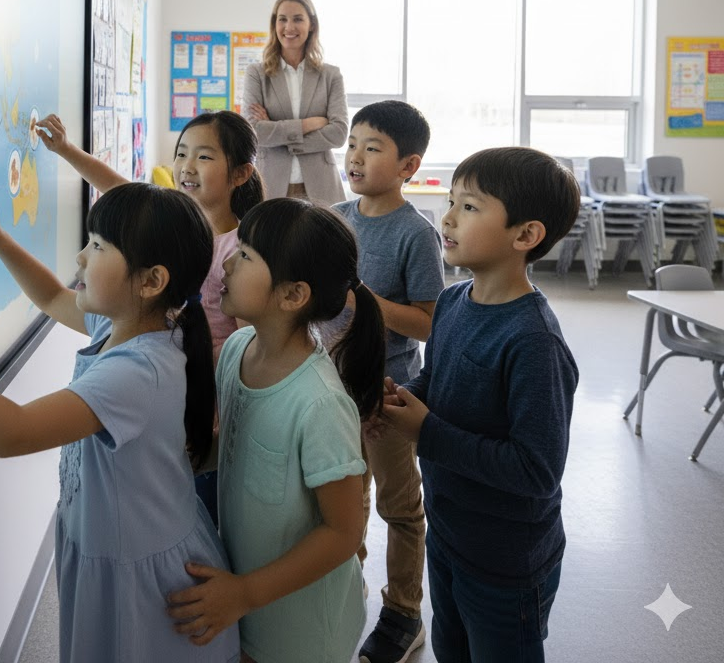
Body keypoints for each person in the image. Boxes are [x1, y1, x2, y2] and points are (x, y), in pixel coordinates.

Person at [0, 183, 241, 663]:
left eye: (99, 247)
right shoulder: (126, 323)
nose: (81, 258)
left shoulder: (136, 372)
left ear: (151, 282)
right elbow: (49, 296)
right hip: (118, 549)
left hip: (146, 583)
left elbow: (10, 432)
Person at [381, 147, 580, 663]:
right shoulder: (452, 301)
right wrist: (404, 400)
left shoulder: (533, 342)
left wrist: (426, 432)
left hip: (506, 561)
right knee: (452, 646)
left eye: (469, 207)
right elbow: (437, 380)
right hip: (448, 533)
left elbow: (536, 470)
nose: (446, 217)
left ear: (525, 235)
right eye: (451, 201)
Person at [167, 198, 387, 663]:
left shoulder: (320, 405)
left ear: (293, 295)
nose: (226, 260)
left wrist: (245, 593)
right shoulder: (239, 348)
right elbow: (233, 446)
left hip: (305, 631)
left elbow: (343, 533)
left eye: (245, 255)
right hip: (249, 607)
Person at [36, 110, 265, 523]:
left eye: (204, 157)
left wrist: (233, 418)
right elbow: (119, 191)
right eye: (181, 153)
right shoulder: (176, 220)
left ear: (240, 174)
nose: (187, 167)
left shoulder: (239, 248)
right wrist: (67, 151)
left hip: (205, 399)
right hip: (164, 385)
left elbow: (250, 345)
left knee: (198, 504)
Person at [327, 102, 444, 663]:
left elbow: (427, 321)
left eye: (372, 148)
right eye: (352, 144)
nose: (355, 156)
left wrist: (366, 302)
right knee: (342, 500)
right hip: (327, 389)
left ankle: (403, 613)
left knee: (400, 506)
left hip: (392, 392)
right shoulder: (331, 218)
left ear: (408, 165)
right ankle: (345, 592)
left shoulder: (416, 235)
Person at [242, 0, 347, 207]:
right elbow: (253, 132)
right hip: (270, 185)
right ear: (275, 25)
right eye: (283, 19)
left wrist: (277, 134)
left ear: (312, 25)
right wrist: (308, 124)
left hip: (322, 187)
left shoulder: (330, 75)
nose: (289, 27)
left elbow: (338, 133)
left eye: (298, 19)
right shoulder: (257, 74)